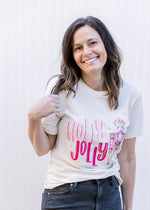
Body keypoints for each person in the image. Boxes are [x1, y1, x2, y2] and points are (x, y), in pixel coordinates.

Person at [28, 16, 143, 210]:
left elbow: (127, 157)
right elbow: (42, 148)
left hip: (109, 193)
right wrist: (33, 118)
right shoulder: (61, 89)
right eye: (78, 48)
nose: (87, 52)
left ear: (106, 45)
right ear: (71, 55)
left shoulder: (130, 94)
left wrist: (128, 207)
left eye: (92, 43)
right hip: (65, 195)